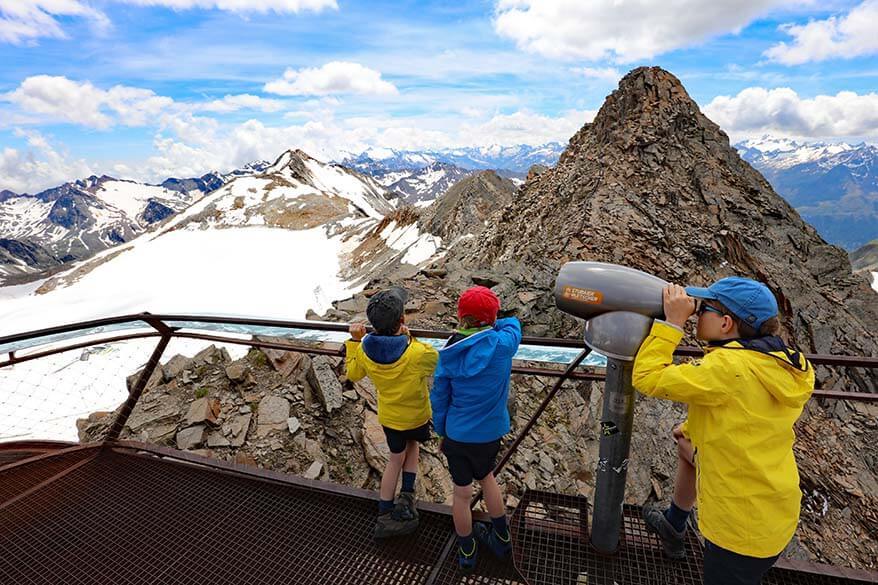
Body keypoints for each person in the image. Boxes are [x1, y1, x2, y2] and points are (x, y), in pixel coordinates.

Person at [632, 277, 815, 585]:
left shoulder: (728, 368)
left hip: (739, 528)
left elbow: (647, 376)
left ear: (726, 323)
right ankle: (675, 524)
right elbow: (749, 413)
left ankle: (676, 527)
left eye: (704, 309)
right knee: (686, 446)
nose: (696, 313)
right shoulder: (780, 362)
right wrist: (694, 428)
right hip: (773, 507)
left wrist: (672, 325)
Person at [431, 285, 522, 573]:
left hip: (457, 435)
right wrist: (499, 319)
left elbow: (439, 398)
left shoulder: (448, 353)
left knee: (461, 493)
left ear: (461, 317)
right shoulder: (502, 345)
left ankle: (467, 549)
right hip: (489, 434)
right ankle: (502, 538)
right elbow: (514, 325)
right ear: (491, 317)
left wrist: (442, 432)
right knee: (488, 478)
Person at [345, 287, 439, 539]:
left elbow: (352, 374)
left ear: (371, 325)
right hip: (417, 415)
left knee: (394, 459)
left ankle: (384, 509)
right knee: (414, 447)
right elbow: (436, 360)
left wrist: (354, 343)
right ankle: (408, 493)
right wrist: (411, 339)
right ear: (402, 320)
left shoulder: (365, 350)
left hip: (389, 418)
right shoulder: (417, 353)